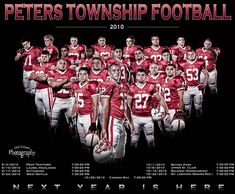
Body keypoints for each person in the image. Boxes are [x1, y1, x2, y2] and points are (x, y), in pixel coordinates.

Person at [99, 63, 133, 162]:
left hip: (122, 121)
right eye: (114, 70)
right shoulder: (108, 84)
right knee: (110, 153)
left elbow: (127, 106)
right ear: (109, 72)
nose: (117, 72)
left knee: (120, 154)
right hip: (113, 121)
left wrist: (131, 123)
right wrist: (104, 129)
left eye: (118, 70)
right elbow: (105, 107)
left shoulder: (124, 85)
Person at [127, 68, 169, 148]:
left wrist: (167, 112)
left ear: (146, 76)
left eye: (143, 75)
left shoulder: (150, 86)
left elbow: (160, 99)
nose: (141, 77)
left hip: (148, 116)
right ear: (136, 77)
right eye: (139, 75)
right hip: (135, 116)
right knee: (134, 139)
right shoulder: (132, 87)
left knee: (150, 139)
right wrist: (128, 118)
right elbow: (128, 105)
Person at [47, 59, 76, 137]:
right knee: (53, 123)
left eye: (64, 63)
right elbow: (53, 85)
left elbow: (72, 85)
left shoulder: (71, 72)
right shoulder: (51, 72)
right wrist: (66, 80)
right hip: (57, 100)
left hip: (69, 100)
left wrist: (58, 85)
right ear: (57, 64)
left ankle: (75, 142)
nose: (63, 64)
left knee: (73, 123)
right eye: (60, 63)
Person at [71, 67, 99, 144]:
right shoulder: (75, 85)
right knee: (82, 140)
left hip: (89, 116)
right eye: (80, 74)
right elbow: (76, 102)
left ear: (88, 75)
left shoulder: (91, 85)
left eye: (84, 74)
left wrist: (93, 122)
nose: (82, 76)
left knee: (91, 142)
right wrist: (71, 115)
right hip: (79, 116)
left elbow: (96, 106)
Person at [179, 50, 209, 118]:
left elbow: (206, 73)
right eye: (189, 54)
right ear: (186, 55)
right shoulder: (182, 63)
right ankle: (187, 117)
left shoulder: (200, 62)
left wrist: (205, 83)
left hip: (197, 87)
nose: (191, 56)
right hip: (187, 88)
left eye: (192, 54)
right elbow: (178, 74)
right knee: (186, 106)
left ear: (195, 55)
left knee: (198, 106)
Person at [29, 50, 55, 121]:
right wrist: (39, 76)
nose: (43, 58)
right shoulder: (36, 65)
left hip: (46, 90)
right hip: (37, 90)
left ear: (49, 57)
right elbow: (29, 77)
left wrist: (35, 77)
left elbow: (44, 79)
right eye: (42, 56)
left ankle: (53, 130)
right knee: (40, 112)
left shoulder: (51, 65)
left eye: (45, 57)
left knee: (49, 112)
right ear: (40, 57)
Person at [160, 64, 185, 132]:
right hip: (165, 107)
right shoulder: (162, 80)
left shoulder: (178, 79)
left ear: (175, 70)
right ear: (165, 70)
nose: (169, 71)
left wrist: (180, 109)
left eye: (171, 69)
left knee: (175, 128)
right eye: (167, 69)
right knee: (165, 128)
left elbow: (181, 97)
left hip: (174, 107)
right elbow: (161, 96)